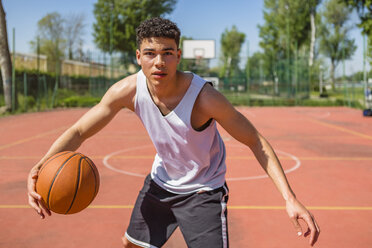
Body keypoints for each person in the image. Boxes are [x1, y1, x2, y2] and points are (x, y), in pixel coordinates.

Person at [27, 17, 320, 248]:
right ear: (138, 56)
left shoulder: (204, 98)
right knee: (131, 244)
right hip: (161, 182)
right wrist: (41, 165)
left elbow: (255, 140)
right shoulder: (127, 91)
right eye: (151, 53)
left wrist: (290, 198)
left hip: (203, 189)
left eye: (168, 53)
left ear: (179, 56)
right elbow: (79, 130)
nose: (159, 62)